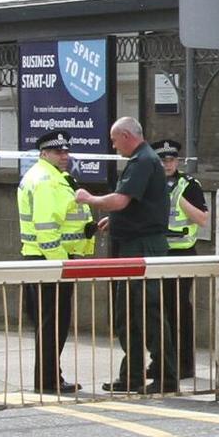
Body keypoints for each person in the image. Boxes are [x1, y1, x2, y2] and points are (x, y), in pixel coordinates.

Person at [79, 115, 171, 393]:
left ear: (127, 136)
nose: (113, 145)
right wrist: (116, 220)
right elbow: (135, 204)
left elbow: (120, 200)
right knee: (127, 314)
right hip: (132, 243)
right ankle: (131, 375)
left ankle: (166, 376)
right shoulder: (140, 160)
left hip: (143, 246)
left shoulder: (143, 161)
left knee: (149, 312)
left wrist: (90, 199)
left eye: (114, 139)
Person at [15, 130, 95, 394]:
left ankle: (50, 377)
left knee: (50, 323)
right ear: (44, 153)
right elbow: (46, 229)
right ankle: (48, 381)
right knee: (53, 324)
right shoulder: (46, 181)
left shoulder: (54, 176)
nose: (64, 155)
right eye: (58, 152)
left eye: (66, 151)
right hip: (50, 261)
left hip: (45, 259)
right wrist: (62, 265)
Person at [154, 138, 210, 394]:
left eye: (172, 159)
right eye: (163, 160)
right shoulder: (150, 182)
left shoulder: (189, 185)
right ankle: (161, 363)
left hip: (182, 253)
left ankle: (184, 364)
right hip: (157, 253)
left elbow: (203, 219)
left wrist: (178, 200)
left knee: (179, 310)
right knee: (158, 311)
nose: (168, 164)